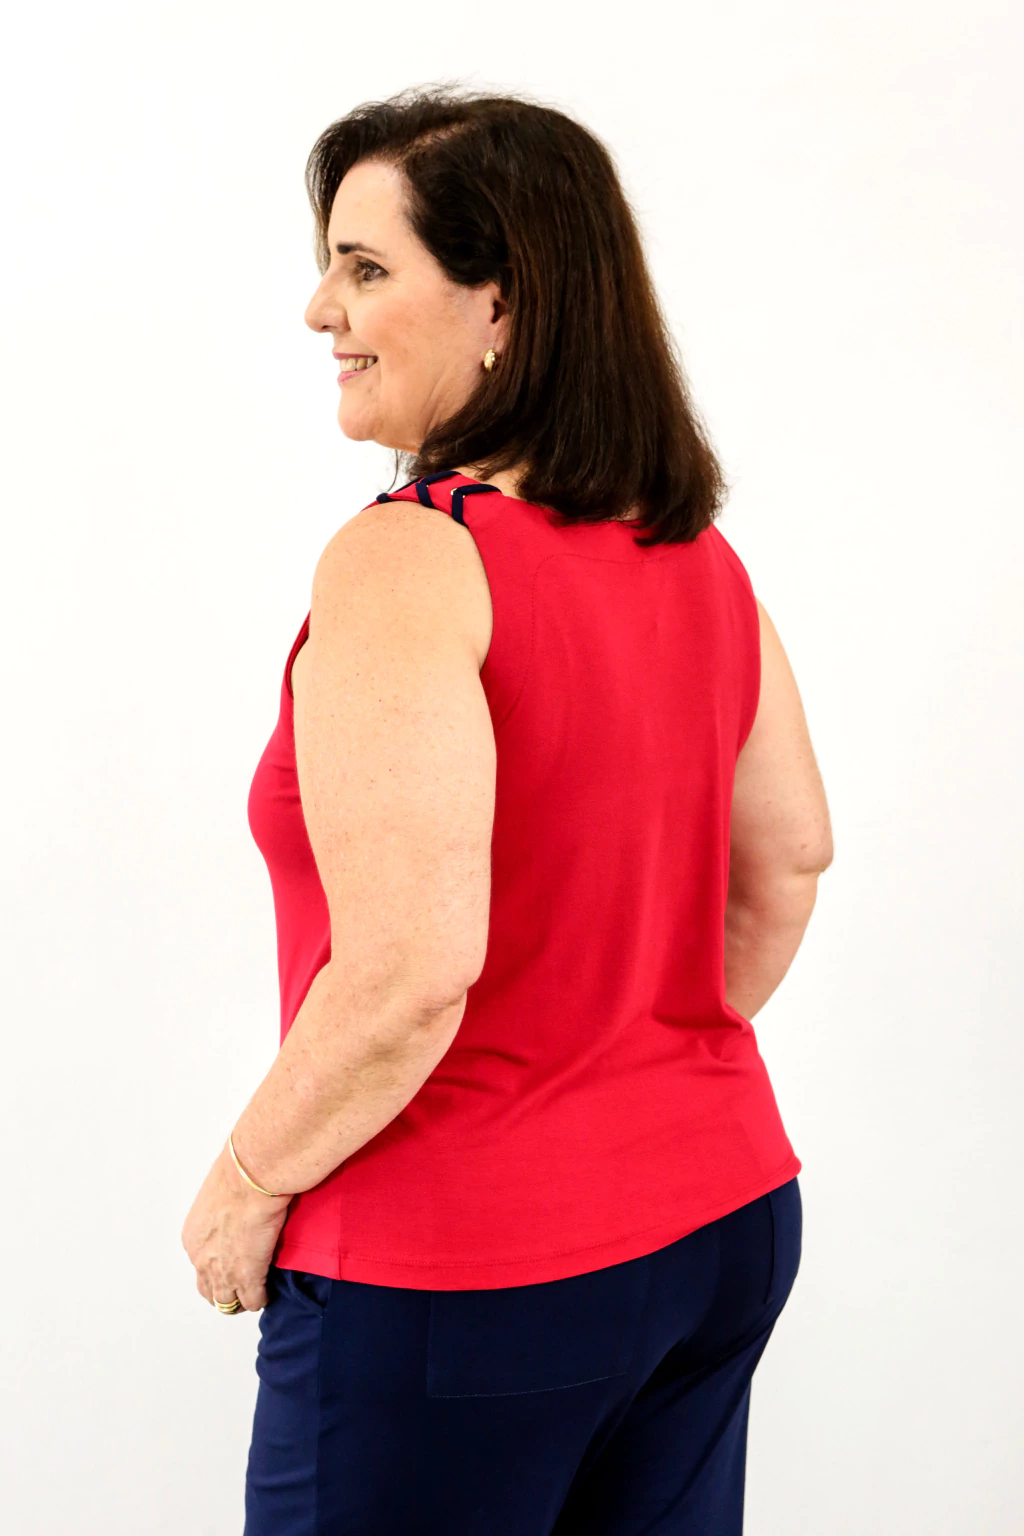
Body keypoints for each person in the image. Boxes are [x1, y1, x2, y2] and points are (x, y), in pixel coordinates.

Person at [181, 85, 833, 1535]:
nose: (320, 310)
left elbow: (409, 973)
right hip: (719, 1219)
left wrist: (243, 1182)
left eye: (365, 268)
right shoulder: (695, 555)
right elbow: (788, 863)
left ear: (502, 303)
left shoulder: (409, 558)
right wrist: (624, 1074)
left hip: (459, 1270)